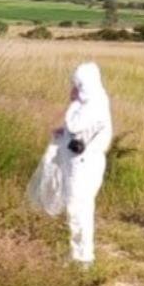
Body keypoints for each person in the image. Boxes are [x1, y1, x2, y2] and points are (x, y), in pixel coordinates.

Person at [54, 62, 113, 268]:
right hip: (84, 160)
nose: (74, 88)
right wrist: (64, 134)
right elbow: (78, 130)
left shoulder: (91, 103)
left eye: (77, 84)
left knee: (78, 207)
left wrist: (73, 102)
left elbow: (75, 124)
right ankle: (78, 253)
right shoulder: (96, 99)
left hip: (84, 163)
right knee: (79, 207)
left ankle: (82, 257)